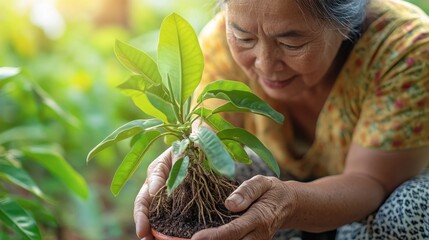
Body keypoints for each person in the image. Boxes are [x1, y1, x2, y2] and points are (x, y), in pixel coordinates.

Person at [134, 0, 429, 239]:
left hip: (373, 201)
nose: (264, 63)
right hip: (289, 185)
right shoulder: (220, 43)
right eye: (244, 38)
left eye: (291, 44)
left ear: (345, 25)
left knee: (403, 211)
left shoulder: (404, 49)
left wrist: (287, 205)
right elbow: (207, 141)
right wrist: (182, 161)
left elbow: (372, 181)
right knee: (232, 173)